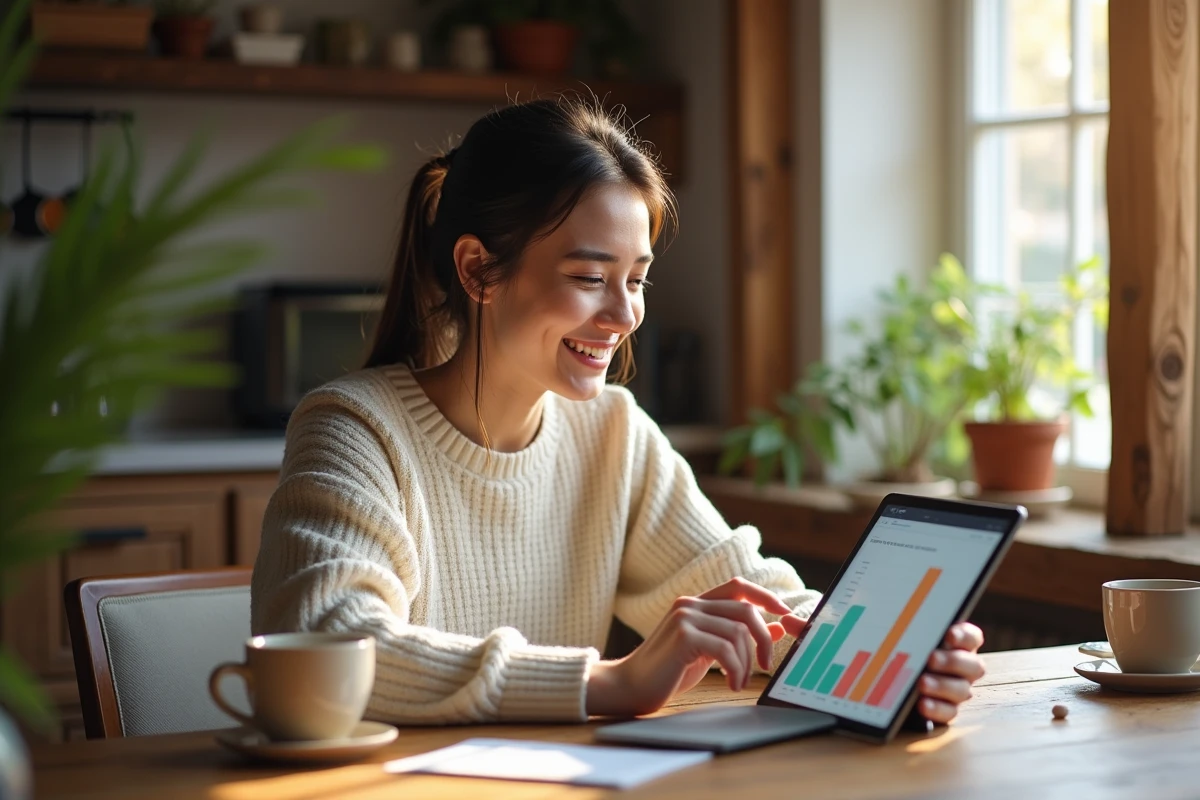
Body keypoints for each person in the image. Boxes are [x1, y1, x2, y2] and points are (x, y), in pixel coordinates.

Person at [251, 97, 986, 725]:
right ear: (478, 270)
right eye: (588, 277)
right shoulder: (354, 429)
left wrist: (891, 658)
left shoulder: (613, 432)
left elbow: (755, 595)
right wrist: (609, 682)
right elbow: (331, 642)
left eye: (636, 279)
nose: (624, 315)